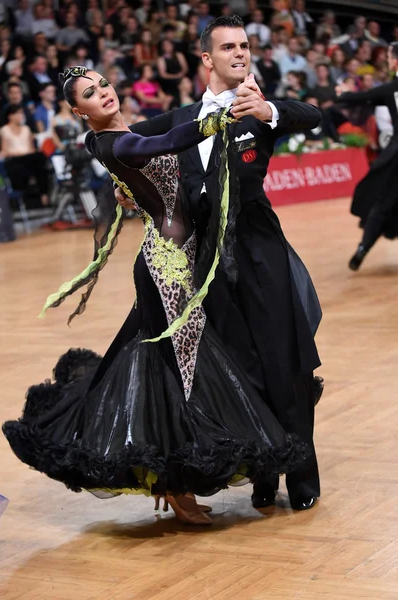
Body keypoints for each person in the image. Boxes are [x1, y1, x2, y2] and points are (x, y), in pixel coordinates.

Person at [2, 67, 309, 526]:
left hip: (179, 256)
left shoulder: (119, 133)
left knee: (173, 368)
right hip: (169, 267)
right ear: (77, 111)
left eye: (104, 83)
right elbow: (158, 146)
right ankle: (174, 482)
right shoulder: (117, 141)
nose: (103, 93)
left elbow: (151, 170)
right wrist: (214, 120)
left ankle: (173, 481)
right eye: (90, 93)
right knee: (180, 372)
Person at [116, 15, 324, 511]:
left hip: (259, 253)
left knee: (285, 363)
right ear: (206, 58)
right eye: (228, 47)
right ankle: (261, 474)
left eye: (245, 46)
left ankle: (303, 479)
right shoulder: (181, 118)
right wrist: (123, 180)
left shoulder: (258, 111)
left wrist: (270, 108)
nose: (240, 53)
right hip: (205, 261)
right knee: (238, 369)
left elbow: (312, 114)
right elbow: (121, 142)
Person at [335, 43, 398, 271]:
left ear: (394, 61)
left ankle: (363, 248)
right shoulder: (389, 89)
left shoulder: (391, 88)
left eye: (390, 57)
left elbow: (364, 96)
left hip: (395, 158)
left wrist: (344, 94)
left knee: (382, 203)